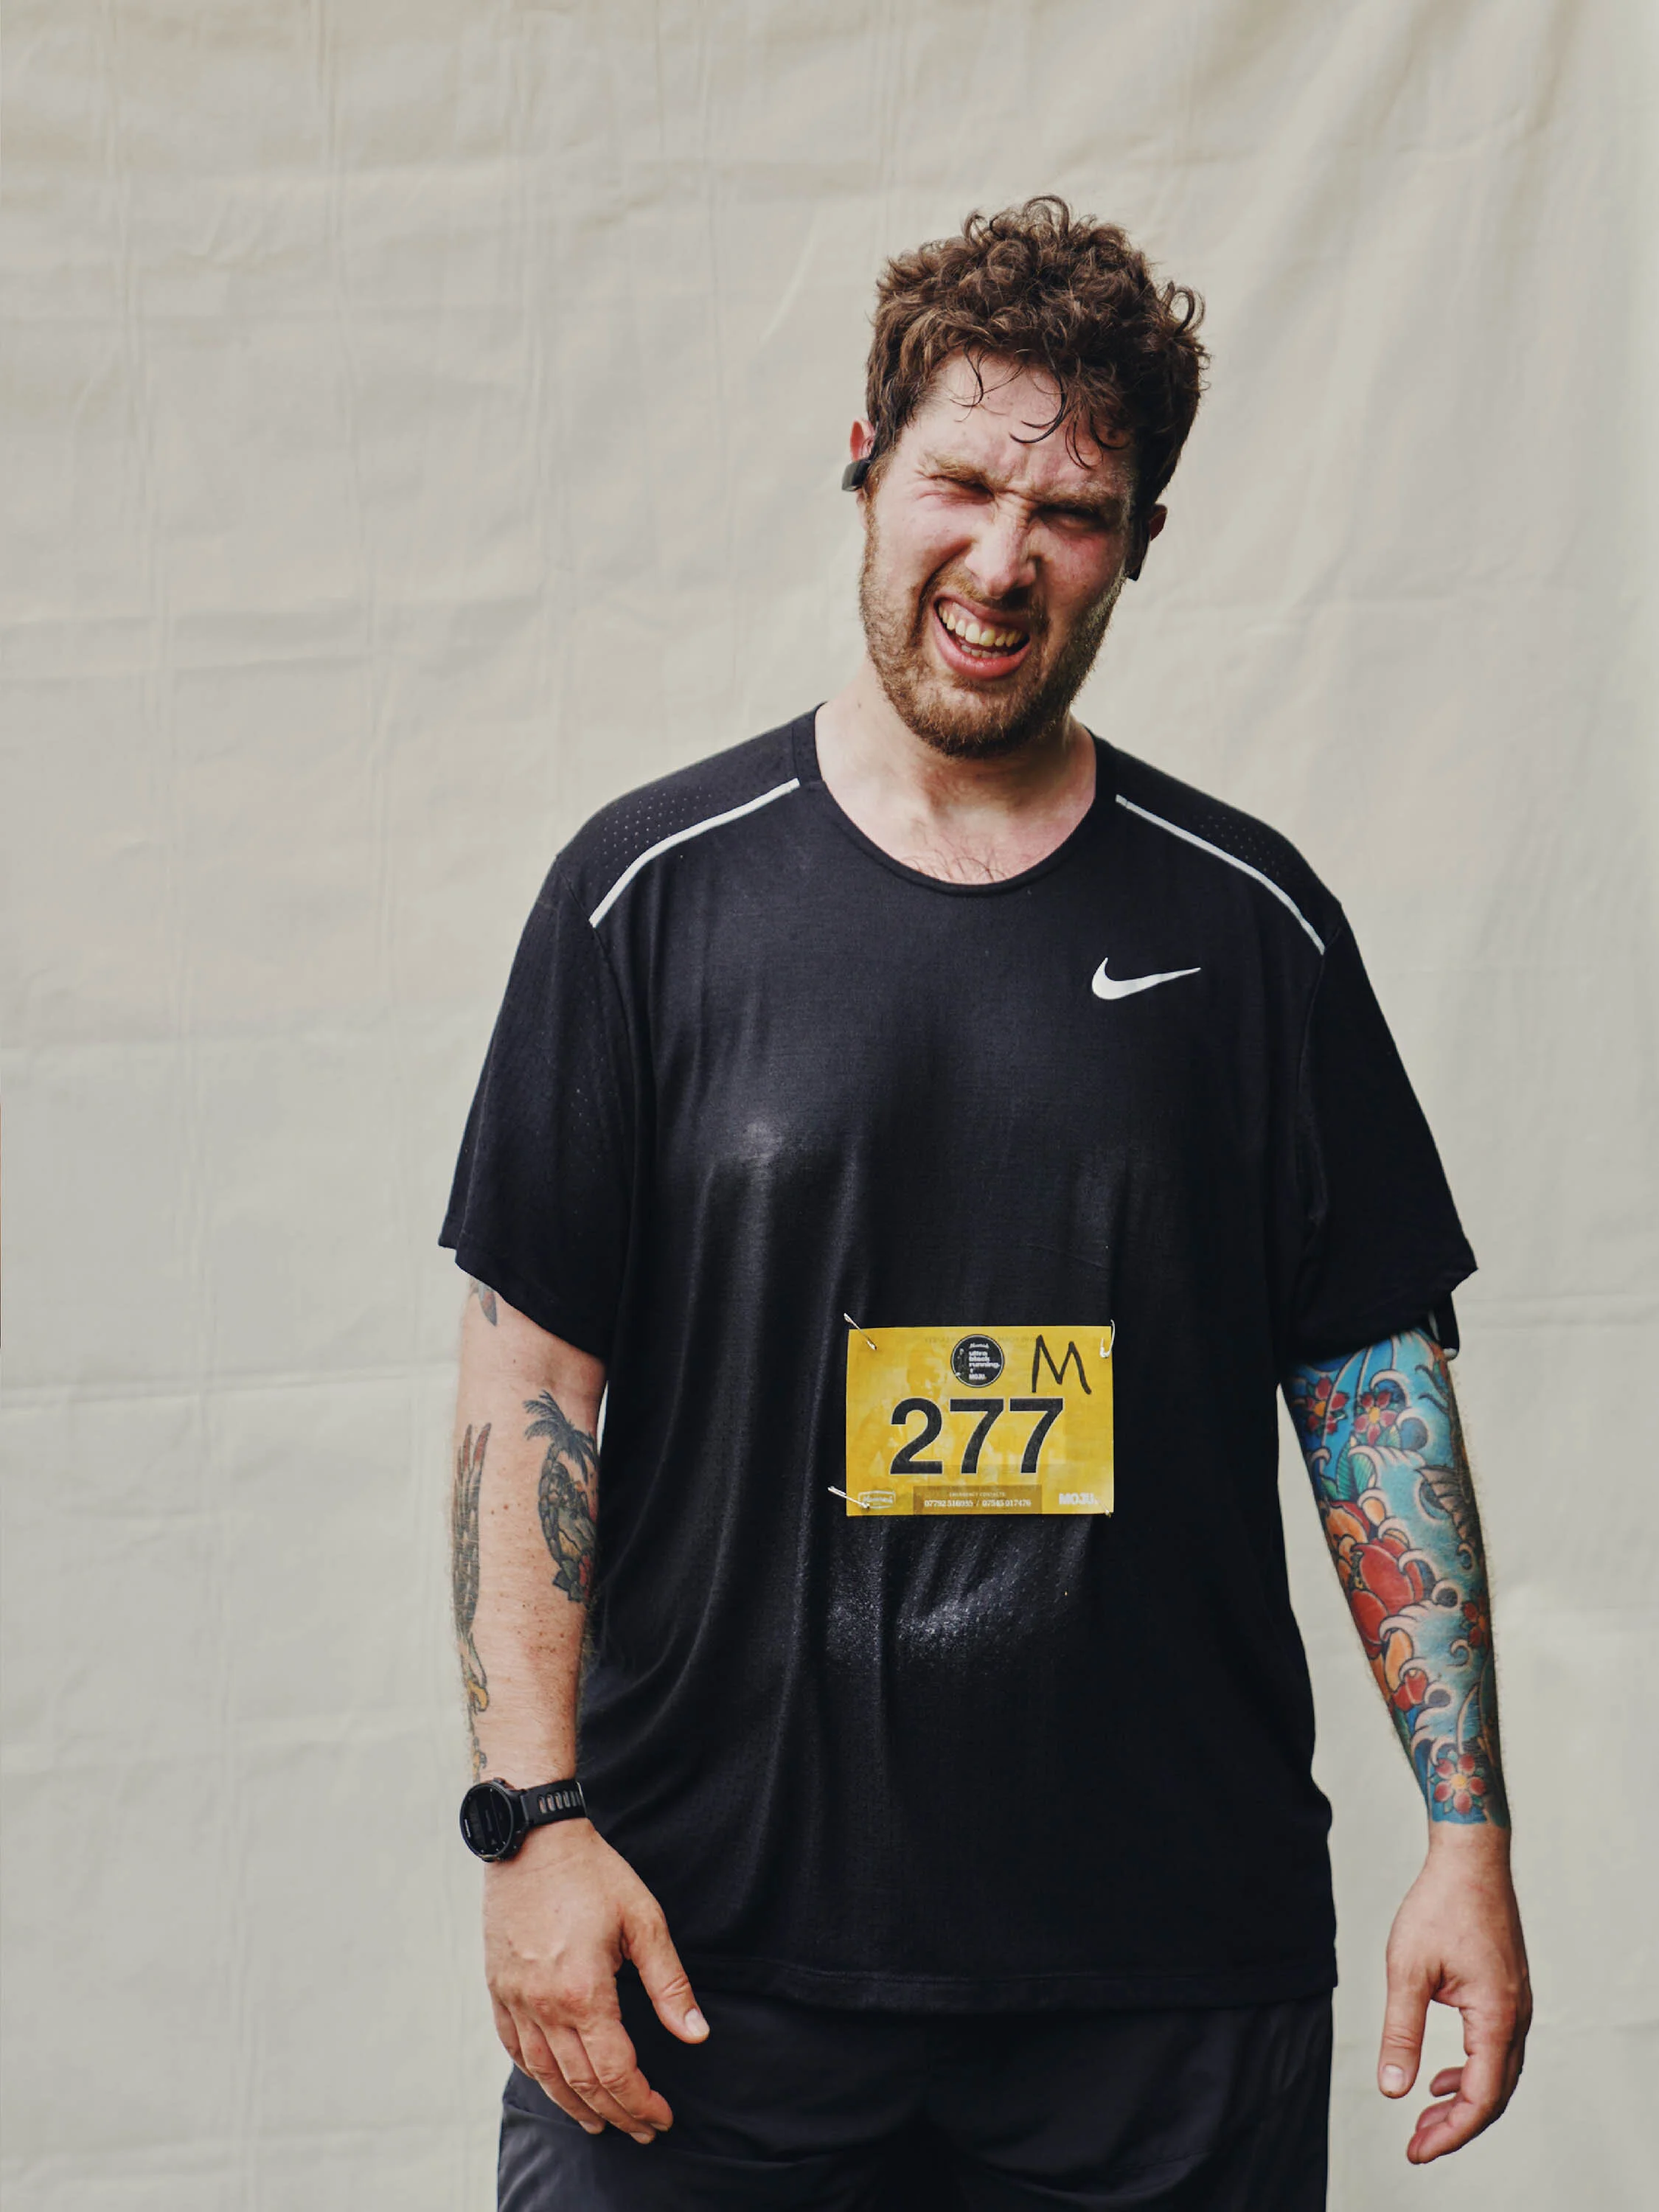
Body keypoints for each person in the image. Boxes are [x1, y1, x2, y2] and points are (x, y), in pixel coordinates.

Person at [440, 198, 1530, 2210]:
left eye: (1076, 513)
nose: (1005, 561)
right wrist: (529, 1825)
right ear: (865, 464)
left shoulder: (1257, 929)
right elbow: (532, 1391)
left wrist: (1466, 1833)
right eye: (961, 482)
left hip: (1164, 1998)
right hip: (706, 1970)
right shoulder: (645, 902)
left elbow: (1375, 1387)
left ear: (1141, 543)